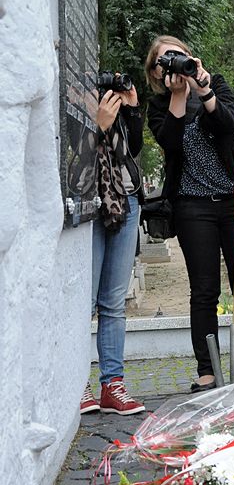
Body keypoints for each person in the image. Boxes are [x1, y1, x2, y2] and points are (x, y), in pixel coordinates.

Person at [146, 35, 234, 392]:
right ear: (156, 72)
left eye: (180, 55)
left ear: (192, 57)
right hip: (191, 206)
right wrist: (177, 97)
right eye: (164, 60)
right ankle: (207, 369)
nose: (174, 63)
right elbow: (169, 142)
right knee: (204, 291)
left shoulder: (213, 85)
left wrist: (202, 91)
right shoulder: (159, 105)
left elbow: (228, 125)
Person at [80, 83, 146, 415]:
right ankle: (78, 384)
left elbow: (133, 148)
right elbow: (73, 162)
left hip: (126, 200)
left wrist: (131, 109)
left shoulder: (114, 107)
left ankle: (113, 385)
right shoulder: (74, 106)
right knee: (84, 303)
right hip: (88, 206)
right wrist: (99, 124)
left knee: (114, 303)